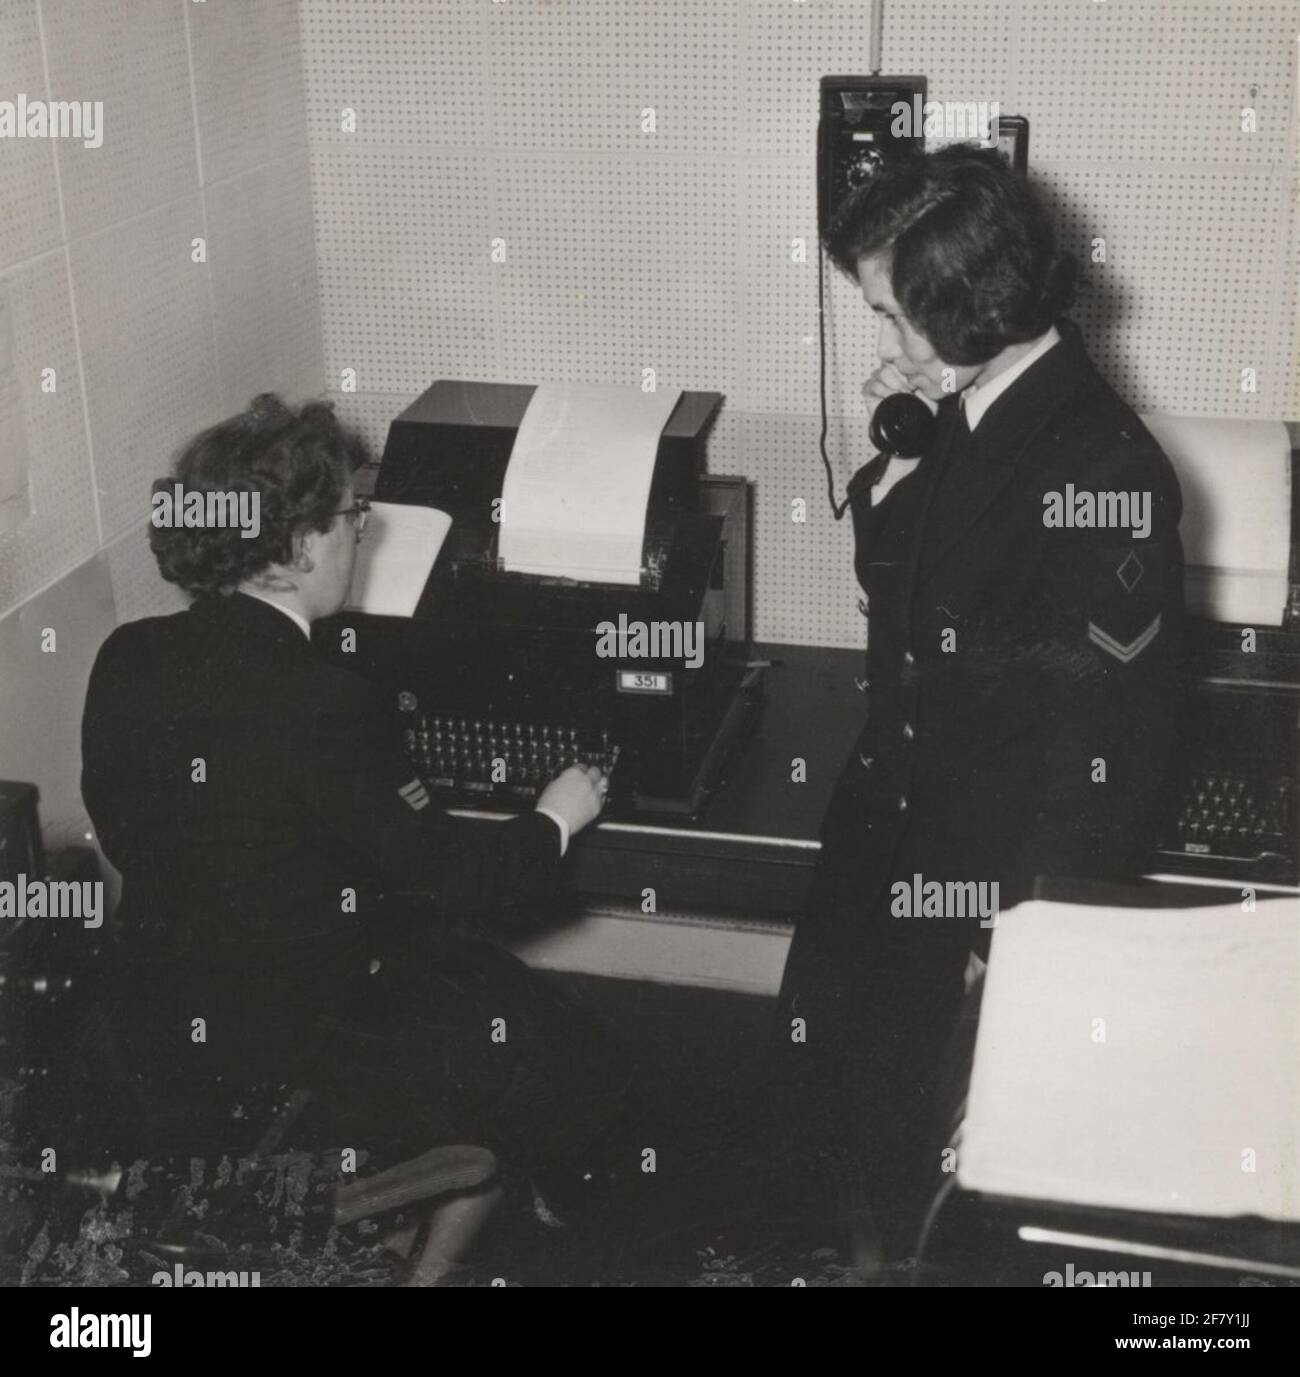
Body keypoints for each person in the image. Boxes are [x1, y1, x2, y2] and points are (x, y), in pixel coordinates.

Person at [765, 144, 1186, 1263]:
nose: (887, 347)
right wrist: (895, 467)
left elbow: (1108, 750)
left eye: (897, 318)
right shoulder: (972, 398)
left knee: (933, 1167)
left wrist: (1018, 941)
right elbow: (910, 590)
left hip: (982, 872)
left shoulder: (1103, 468)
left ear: (977, 307)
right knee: (827, 1101)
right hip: (888, 822)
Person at [80, 395, 632, 1203]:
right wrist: (556, 815)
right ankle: (517, 1220)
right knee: (562, 1043)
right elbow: (455, 880)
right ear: (299, 548)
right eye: (351, 516)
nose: (360, 531)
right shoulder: (322, 701)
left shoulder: (127, 655)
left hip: (148, 1033)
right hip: (294, 1052)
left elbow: (132, 834)